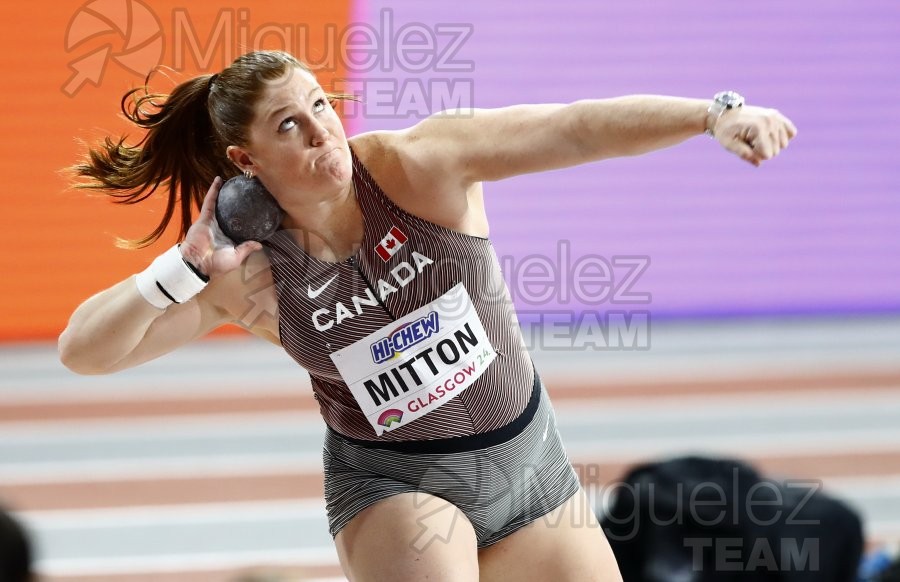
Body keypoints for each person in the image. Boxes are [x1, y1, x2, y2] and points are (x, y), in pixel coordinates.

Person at [59, 50, 796, 581]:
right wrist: (177, 271)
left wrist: (715, 114)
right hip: (395, 487)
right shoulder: (246, 270)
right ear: (244, 161)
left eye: (321, 105)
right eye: (288, 126)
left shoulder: (421, 166)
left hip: (531, 471)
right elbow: (85, 353)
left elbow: (576, 129)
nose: (321, 133)